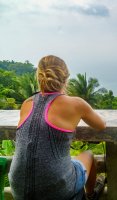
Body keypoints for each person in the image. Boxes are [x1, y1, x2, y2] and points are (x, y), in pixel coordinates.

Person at [9, 55, 106, 200]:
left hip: (19, 188)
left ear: (39, 78)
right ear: (66, 79)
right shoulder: (76, 104)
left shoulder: (27, 103)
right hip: (56, 189)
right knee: (88, 155)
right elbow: (101, 125)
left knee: (67, 164)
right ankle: (91, 195)